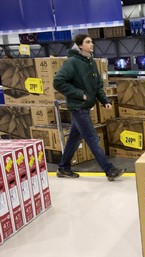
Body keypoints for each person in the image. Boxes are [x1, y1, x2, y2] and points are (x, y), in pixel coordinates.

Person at [53, 34, 126, 181]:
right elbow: (58, 82)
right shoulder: (72, 62)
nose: (91, 44)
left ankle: (63, 167)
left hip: (84, 107)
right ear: (80, 45)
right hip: (78, 107)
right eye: (88, 42)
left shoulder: (90, 62)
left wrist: (104, 100)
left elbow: (98, 86)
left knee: (74, 138)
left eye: (91, 42)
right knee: (92, 138)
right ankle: (109, 170)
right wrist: (81, 94)